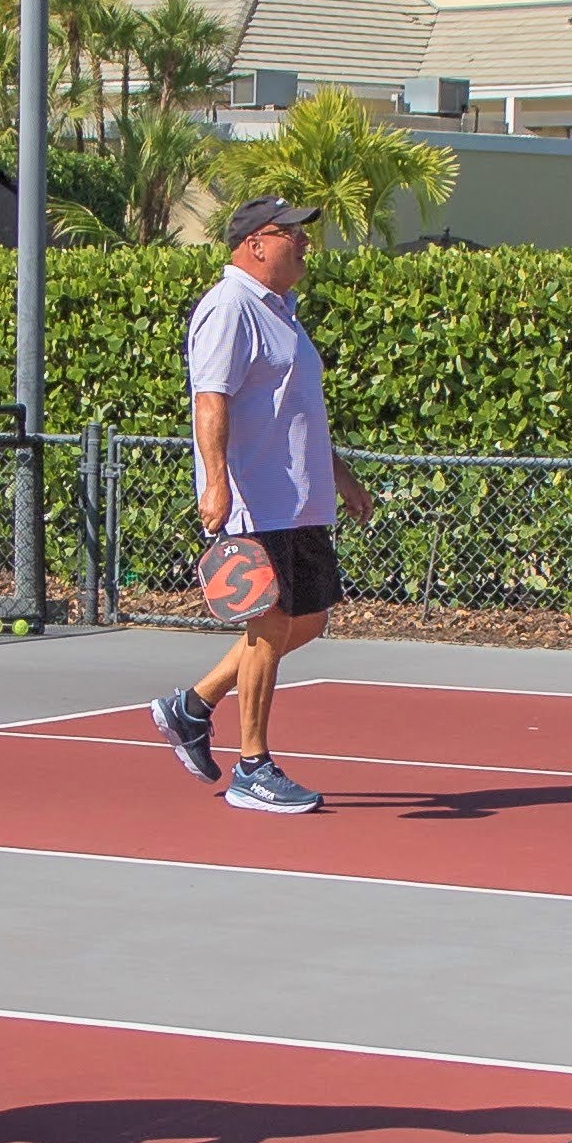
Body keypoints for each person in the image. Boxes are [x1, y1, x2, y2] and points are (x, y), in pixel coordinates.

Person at [148, 193, 374, 814]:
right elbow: (211, 399)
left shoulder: (283, 314)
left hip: (298, 502)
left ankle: (191, 706)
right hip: (254, 501)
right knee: (269, 625)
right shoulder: (230, 308)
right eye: (291, 234)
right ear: (254, 244)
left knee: (309, 620)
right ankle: (253, 768)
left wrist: (341, 476)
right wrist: (215, 483)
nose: (304, 243)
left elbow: (294, 413)